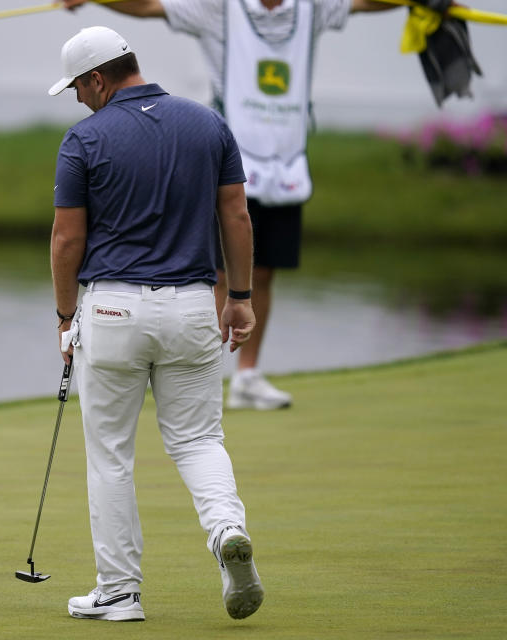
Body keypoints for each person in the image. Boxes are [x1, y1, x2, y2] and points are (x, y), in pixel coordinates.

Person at [62, 0, 398, 410]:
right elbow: (150, 6)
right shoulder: (218, 8)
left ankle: (246, 374)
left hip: (286, 160)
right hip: (227, 159)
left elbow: (366, 2)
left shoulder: (311, 6)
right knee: (222, 272)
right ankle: (207, 369)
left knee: (265, 271)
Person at [49, 25, 263, 622]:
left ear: (98, 77)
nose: (76, 99)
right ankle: (225, 534)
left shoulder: (83, 139)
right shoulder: (209, 124)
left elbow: (68, 239)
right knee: (198, 440)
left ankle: (119, 592)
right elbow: (237, 215)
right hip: (193, 306)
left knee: (111, 455)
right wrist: (240, 297)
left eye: (77, 86)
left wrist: (66, 318)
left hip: (112, 310)